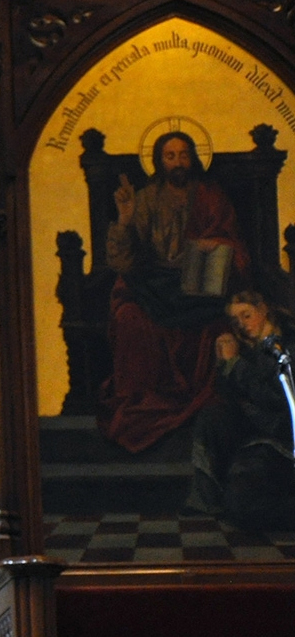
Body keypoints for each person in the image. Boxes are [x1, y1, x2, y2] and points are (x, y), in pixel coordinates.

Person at [101, 130, 247, 452]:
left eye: (183, 155)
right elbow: (121, 261)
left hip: (196, 284)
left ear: (193, 158)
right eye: (170, 156)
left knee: (216, 325)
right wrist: (124, 220)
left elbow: (234, 245)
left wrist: (216, 244)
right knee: (128, 317)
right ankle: (142, 399)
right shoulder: (145, 199)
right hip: (153, 283)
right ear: (159, 161)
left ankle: (206, 407)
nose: (178, 162)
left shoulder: (211, 196)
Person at [188, 289, 295, 532]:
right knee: (211, 416)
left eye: (247, 316)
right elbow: (229, 396)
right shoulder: (249, 347)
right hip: (254, 433)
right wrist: (224, 363)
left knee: (244, 506)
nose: (242, 325)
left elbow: (277, 398)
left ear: (263, 309)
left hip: (282, 439)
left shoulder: (287, 345)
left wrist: (236, 364)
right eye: (236, 321)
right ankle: (205, 499)